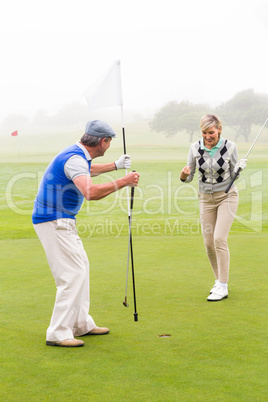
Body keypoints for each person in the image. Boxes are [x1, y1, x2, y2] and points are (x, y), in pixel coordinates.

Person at [32, 120, 140, 347]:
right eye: (109, 142)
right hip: (53, 220)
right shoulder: (74, 159)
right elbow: (89, 192)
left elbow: (86, 170)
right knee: (71, 275)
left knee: (81, 268)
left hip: (61, 219)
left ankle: (81, 323)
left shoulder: (77, 156)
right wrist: (124, 181)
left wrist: (116, 165)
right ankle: (58, 332)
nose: (109, 146)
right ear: (103, 141)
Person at [180, 113, 246, 301]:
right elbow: (189, 176)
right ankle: (218, 281)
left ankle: (223, 285)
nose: (208, 137)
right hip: (205, 199)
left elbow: (234, 174)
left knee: (219, 239)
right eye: (204, 133)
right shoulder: (194, 148)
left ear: (219, 130)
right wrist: (183, 175)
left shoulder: (230, 147)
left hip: (227, 196)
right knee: (209, 243)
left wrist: (239, 169)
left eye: (211, 132)